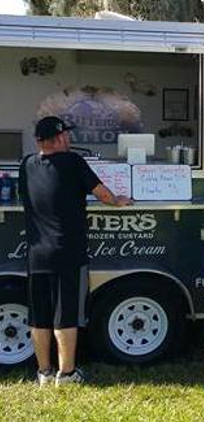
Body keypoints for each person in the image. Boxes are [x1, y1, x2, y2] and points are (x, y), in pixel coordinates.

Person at [19, 116, 133, 387]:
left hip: (36, 253)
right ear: (59, 138)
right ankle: (67, 373)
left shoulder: (26, 164)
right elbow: (103, 195)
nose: (69, 139)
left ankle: (44, 372)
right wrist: (119, 201)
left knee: (39, 315)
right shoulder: (73, 162)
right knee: (65, 313)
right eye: (66, 135)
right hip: (67, 252)